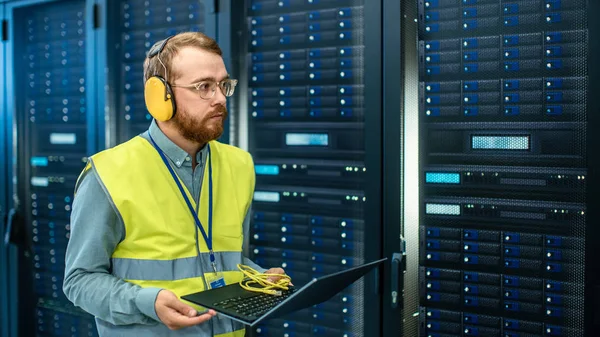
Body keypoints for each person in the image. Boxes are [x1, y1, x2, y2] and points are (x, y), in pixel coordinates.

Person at [63, 32, 286, 337]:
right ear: (160, 96)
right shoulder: (108, 173)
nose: (220, 98)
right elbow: (79, 280)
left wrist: (260, 277)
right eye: (204, 87)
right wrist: (146, 301)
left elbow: (223, 260)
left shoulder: (240, 165)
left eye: (224, 85)